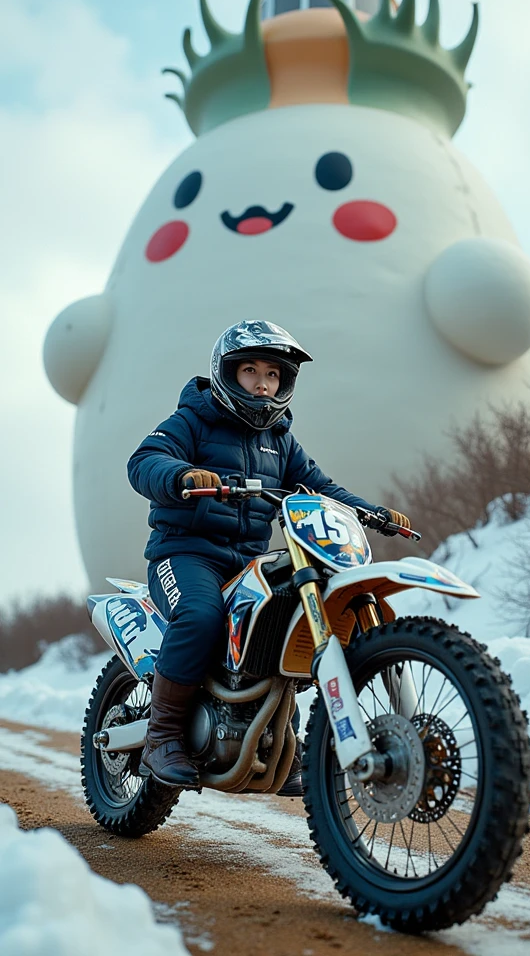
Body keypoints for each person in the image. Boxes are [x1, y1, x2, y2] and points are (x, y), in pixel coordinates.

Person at [127, 320, 411, 795]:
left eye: (274, 375)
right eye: (252, 371)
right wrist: (182, 475)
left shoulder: (279, 439)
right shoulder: (191, 419)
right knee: (200, 616)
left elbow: (320, 487)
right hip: (185, 554)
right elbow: (145, 460)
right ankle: (162, 736)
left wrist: (371, 512)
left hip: (247, 560)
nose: (263, 383)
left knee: (283, 622)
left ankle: (281, 739)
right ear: (227, 373)